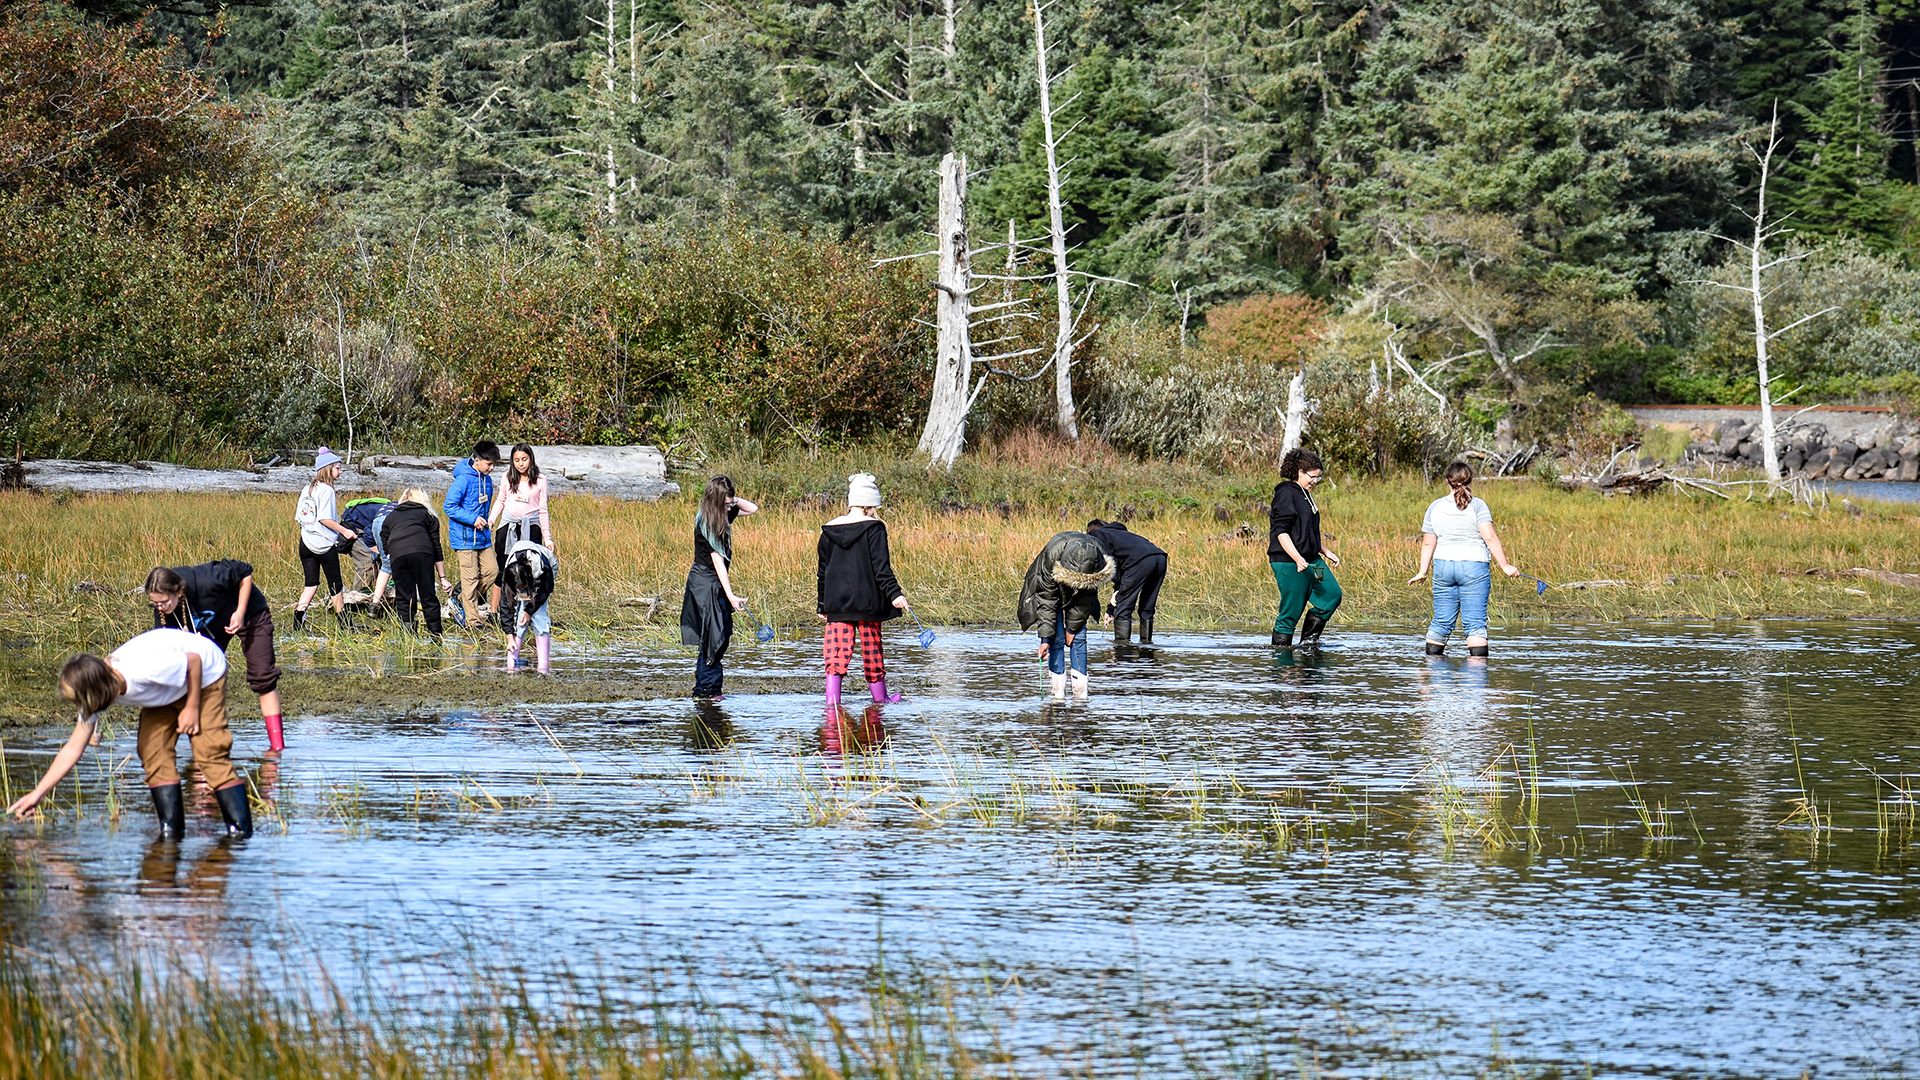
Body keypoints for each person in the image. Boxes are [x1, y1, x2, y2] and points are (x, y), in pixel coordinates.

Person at [7, 628, 251, 838]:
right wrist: (38, 794)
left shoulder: (142, 670)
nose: (79, 707)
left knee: (209, 752)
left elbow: (194, 660)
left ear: (97, 690)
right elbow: (74, 747)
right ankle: (172, 831)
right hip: (167, 688)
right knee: (152, 750)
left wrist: (192, 706)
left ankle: (240, 833)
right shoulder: (97, 690)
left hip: (204, 674)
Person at [146, 560, 286, 753]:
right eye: (155, 603)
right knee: (200, 680)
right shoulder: (164, 611)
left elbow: (245, 572)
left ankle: (277, 748)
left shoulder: (206, 579)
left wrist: (240, 612)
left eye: (163, 602)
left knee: (263, 677)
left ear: (178, 592)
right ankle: (206, 747)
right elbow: (167, 647)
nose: (160, 607)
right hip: (210, 628)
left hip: (249, 614)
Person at [1408, 461, 1521, 657]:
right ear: (1469, 480)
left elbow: (1428, 543)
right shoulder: (1478, 505)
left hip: (1443, 567)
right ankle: (1476, 684)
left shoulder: (1434, 506)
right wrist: (1505, 565)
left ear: (1447, 482)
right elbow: (1490, 537)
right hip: (1474, 567)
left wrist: (1422, 571)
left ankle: (1435, 680)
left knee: (1441, 621)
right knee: (1475, 623)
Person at [816, 473, 910, 705]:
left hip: (837, 603)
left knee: (835, 654)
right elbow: (881, 568)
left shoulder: (828, 530)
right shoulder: (875, 528)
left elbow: (822, 572)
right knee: (872, 652)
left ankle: (832, 703)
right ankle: (881, 700)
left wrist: (822, 604)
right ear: (872, 504)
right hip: (868, 603)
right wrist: (895, 594)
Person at [679, 475, 758, 700]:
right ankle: (706, 691)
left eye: (730, 503)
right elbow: (717, 561)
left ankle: (709, 690)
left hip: (713, 581)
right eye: (725, 503)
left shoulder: (722, 513)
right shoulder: (707, 521)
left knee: (719, 635)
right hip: (705, 583)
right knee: (714, 637)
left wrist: (732, 500)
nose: (730, 507)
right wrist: (731, 595)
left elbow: (752, 508)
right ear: (715, 500)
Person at [1017, 532, 1115, 699]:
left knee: (1078, 636)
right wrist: (1045, 639)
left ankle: (1080, 696)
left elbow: (1086, 599)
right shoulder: (1051, 556)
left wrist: (1072, 628)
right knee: (1056, 638)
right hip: (1050, 587)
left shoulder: (1098, 554)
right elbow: (1047, 601)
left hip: (1080, 591)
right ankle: (1058, 695)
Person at [1269, 447, 1343, 650]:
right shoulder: (1286, 494)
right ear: (1300, 472)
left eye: (1318, 478)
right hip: (1290, 562)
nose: (1315, 482)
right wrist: (1297, 558)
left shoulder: (1305, 494)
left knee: (1331, 594)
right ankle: (1282, 658)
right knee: (1292, 609)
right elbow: (1281, 532)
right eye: (1313, 477)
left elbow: (1307, 531)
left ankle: (1308, 644)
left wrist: (1326, 551)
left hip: (1313, 561)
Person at [292, 447, 357, 631]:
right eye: (338, 468)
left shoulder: (307, 488)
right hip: (323, 545)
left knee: (311, 583)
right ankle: (345, 625)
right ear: (328, 468)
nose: (340, 471)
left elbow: (300, 517)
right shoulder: (327, 490)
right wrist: (344, 531)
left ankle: (298, 621)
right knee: (336, 584)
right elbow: (325, 519)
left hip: (305, 543)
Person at [488, 444, 552, 626]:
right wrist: (492, 520)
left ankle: (528, 612)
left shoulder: (540, 480)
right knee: (504, 569)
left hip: (530, 528)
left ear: (530, 458)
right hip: (507, 528)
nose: (521, 464)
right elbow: (500, 500)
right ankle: (496, 612)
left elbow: (543, 510)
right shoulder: (508, 477)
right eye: (517, 460)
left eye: (524, 459)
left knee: (530, 570)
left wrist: (547, 538)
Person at [443, 440, 500, 629]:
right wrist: (472, 519)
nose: (491, 468)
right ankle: (473, 621)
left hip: (483, 538)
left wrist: (486, 521)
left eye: (494, 464)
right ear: (477, 460)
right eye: (489, 464)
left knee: (492, 571)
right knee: (471, 578)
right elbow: (449, 506)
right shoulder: (463, 479)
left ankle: (459, 599)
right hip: (465, 538)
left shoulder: (488, 480)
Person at [1086, 519, 1169, 645]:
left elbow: (1111, 565)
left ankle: (1122, 650)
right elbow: (1122, 573)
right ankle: (1147, 647)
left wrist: (1117, 600)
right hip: (1160, 558)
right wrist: (1110, 610)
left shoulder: (1098, 535)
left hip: (1140, 562)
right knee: (1146, 608)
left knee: (1123, 610)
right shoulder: (1120, 535)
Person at [381, 487, 450, 636]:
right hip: (422, 553)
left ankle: (408, 638)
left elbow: (384, 535)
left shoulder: (391, 516)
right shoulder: (428, 515)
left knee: (404, 597)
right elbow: (436, 547)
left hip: (397, 554)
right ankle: (436, 636)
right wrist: (442, 577)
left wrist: (389, 554)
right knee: (428, 595)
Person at [500, 536, 558, 673]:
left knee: (539, 615)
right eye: (517, 589)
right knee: (519, 616)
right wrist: (509, 636)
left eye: (522, 587)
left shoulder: (543, 568)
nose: (521, 591)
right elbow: (505, 606)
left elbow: (545, 590)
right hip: (522, 572)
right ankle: (512, 663)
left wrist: (529, 610)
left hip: (545, 570)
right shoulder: (508, 575)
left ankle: (543, 667)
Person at [340, 494, 393, 597]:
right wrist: (377, 550)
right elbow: (370, 531)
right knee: (367, 560)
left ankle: (376, 594)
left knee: (380, 561)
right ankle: (359, 597)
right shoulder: (391, 515)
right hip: (355, 526)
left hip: (368, 524)